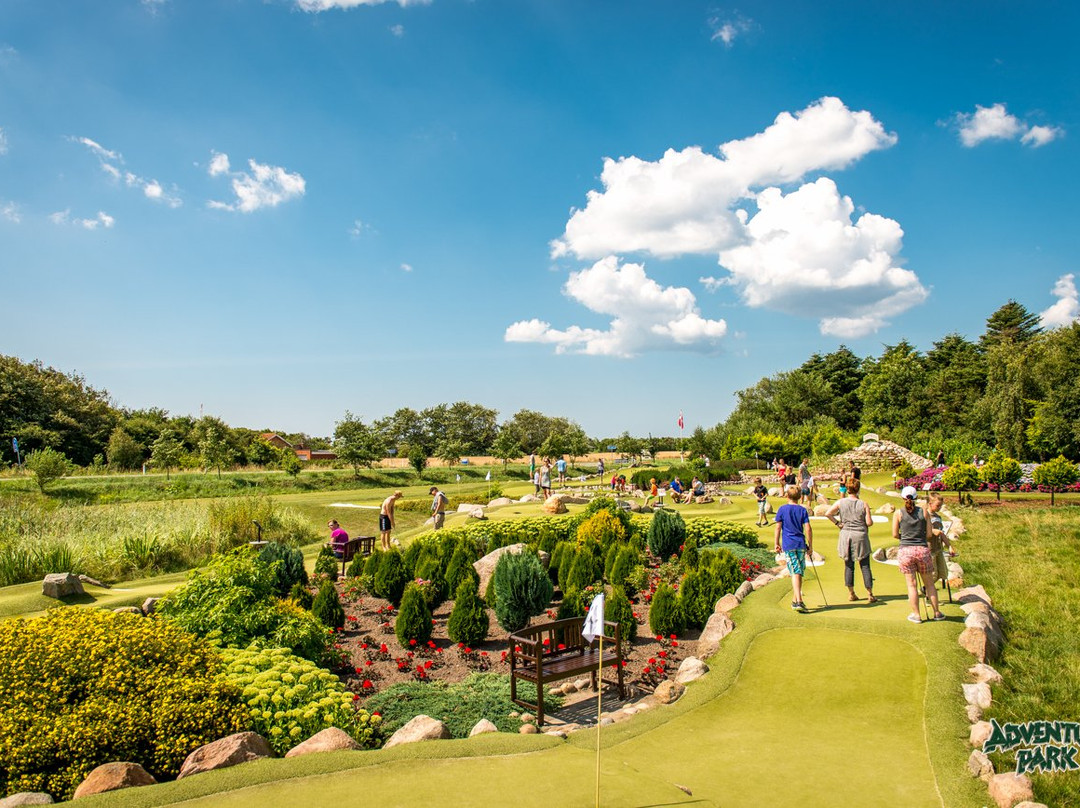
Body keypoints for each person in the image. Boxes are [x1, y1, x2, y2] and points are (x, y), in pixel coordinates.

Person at [892, 486, 944, 623]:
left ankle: (916, 615)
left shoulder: (898, 513)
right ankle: (937, 613)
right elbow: (928, 534)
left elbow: (895, 534)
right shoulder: (924, 512)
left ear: (903, 498)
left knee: (911, 585)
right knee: (930, 584)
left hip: (906, 551)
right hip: (922, 549)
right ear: (916, 498)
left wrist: (906, 537)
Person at [825, 478, 876, 603]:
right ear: (858, 489)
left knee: (849, 565)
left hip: (846, 534)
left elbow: (828, 513)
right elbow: (869, 523)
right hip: (860, 535)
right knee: (865, 566)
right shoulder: (863, 503)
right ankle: (870, 594)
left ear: (847, 489)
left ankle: (851, 593)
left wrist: (838, 523)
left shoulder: (840, 502)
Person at [774, 485, 813, 612]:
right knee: (797, 571)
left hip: (789, 544)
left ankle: (798, 601)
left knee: (797, 572)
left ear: (787, 496)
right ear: (800, 497)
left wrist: (776, 543)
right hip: (800, 544)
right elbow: (808, 528)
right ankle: (797, 600)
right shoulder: (802, 510)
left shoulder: (782, 509)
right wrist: (810, 545)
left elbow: (778, 528)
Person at [926, 492, 955, 585]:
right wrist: (932, 530)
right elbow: (921, 531)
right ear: (930, 504)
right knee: (933, 574)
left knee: (943, 573)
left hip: (938, 548)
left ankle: (928, 589)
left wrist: (949, 546)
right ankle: (925, 589)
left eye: (941, 506)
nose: (939, 508)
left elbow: (942, 533)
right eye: (937, 505)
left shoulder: (938, 517)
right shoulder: (925, 516)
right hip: (929, 549)